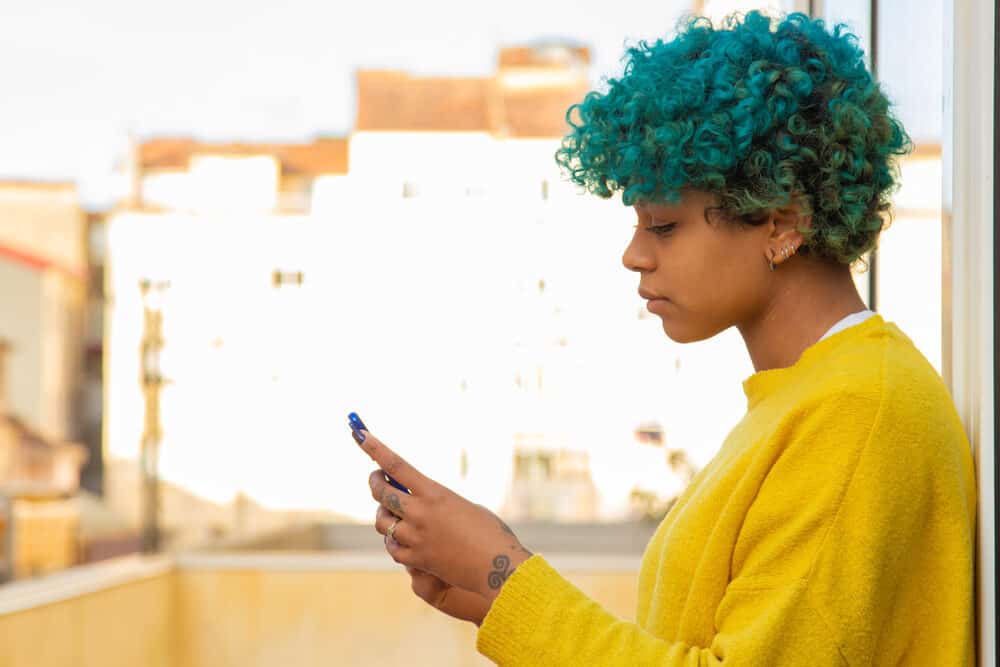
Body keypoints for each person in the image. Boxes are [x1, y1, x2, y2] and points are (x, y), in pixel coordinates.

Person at [354, 10, 977, 665]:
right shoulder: (807, 400)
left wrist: (504, 573)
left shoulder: (858, 414)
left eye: (664, 226)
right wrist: (492, 593)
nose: (633, 255)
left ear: (782, 220)